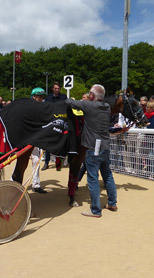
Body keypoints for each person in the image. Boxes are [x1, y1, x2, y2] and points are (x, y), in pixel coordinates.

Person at [65, 84, 117, 218]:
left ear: (92, 95)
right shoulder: (107, 107)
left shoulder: (89, 106)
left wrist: (69, 98)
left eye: (89, 94)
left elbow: (69, 102)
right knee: (108, 176)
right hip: (105, 146)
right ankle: (112, 203)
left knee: (93, 179)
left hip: (93, 148)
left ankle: (95, 210)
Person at [42, 82, 67, 171]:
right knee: (48, 142)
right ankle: (46, 162)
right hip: (50, 122)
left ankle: (60, 161)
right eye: (55, 88)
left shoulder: (63, 97)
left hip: (61, 122)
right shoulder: (48, 98)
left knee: (61, 142)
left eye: (58, 88)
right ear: (52, 89)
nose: (57, 90)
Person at [29, 88, 48, 193]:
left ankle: (36, 185)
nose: (41, 99)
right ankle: (13, 182)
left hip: (36, 139)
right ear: (34, 96)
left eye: (42, 97)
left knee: (36, 161)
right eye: (39, 97)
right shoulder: (29, 108)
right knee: (19, 161)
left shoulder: (41, 108)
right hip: (26, 139)